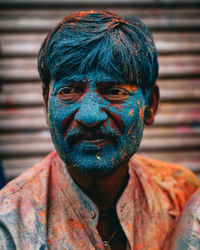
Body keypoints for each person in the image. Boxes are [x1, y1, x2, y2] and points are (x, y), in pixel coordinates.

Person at [0, 10, 199, 250]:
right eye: (68, 91)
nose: (89, 116)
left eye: (114, 91)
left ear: (150, 105)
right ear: (46, 103)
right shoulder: (10, 224)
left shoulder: (181, 195)